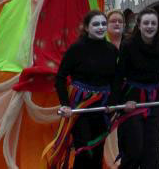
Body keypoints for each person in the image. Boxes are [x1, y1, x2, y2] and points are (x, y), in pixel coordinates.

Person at [49, 10, 119, 168]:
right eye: (96, 24)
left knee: (98, 150)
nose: (100, 27)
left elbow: (116, 79)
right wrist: (65, 104)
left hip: (103, 106)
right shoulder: (76, 49)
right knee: (84, 150)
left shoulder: (112, 50)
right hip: (81, 105)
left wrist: (113, 102)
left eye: (103, 24)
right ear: (87, 28)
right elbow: (60, 77)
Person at [115, 8, 159, 169]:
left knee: (152, 153)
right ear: (139, 25)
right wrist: (120, 102)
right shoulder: (128, 45)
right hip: (132, 99)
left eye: (153, 23)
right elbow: (119, 75)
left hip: (154, 100)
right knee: (134, 151)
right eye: (146, 23)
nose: (150, 26)